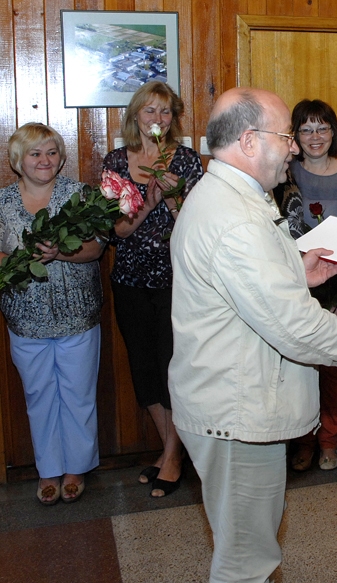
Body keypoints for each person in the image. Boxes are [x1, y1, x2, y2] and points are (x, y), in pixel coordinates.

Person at [167, 86, 337, 583]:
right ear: (249, 141)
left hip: (235, 400)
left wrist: (296, 271)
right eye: (286, 137)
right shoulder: (235, 218)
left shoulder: (232, 198)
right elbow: (293, 326)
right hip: (236, 409)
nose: (294, 148)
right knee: (247, 563)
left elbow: (246, 289)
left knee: (250, 547)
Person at [103, 81, 203, 498]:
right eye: (150, 111)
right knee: (143, 368)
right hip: (129, 280)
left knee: (171, 369)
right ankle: (170, 450)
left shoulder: (187, 160)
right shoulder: (116, 162)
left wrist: (173, 197)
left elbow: (197, 228)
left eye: (165, 112)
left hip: (177, 281)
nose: (158, 119)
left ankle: (174, 458)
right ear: (135, 116)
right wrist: (149, 200)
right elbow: (118, 231)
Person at [0, 123, 105, 505]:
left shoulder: (80, 195)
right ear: (18, 160)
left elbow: (96, 248)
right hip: (25, 320)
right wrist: (20, 257)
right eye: (35, 153)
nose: (44, 160)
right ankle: (48, 471)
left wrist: (59, 252)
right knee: (38, 395)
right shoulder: (2, 203)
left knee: (79, 395)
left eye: (52, 152)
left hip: (78, 315)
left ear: (61, 159)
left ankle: (76, 469)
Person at [282, 99, 337, 471]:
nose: (315, 137)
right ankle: (303, 441)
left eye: (322, 128)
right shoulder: (285, 174)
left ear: (333, 132)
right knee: (299, 366)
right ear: (295, 136)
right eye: (306, 129)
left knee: (333, 368)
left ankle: (329, 441)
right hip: (292, 285)